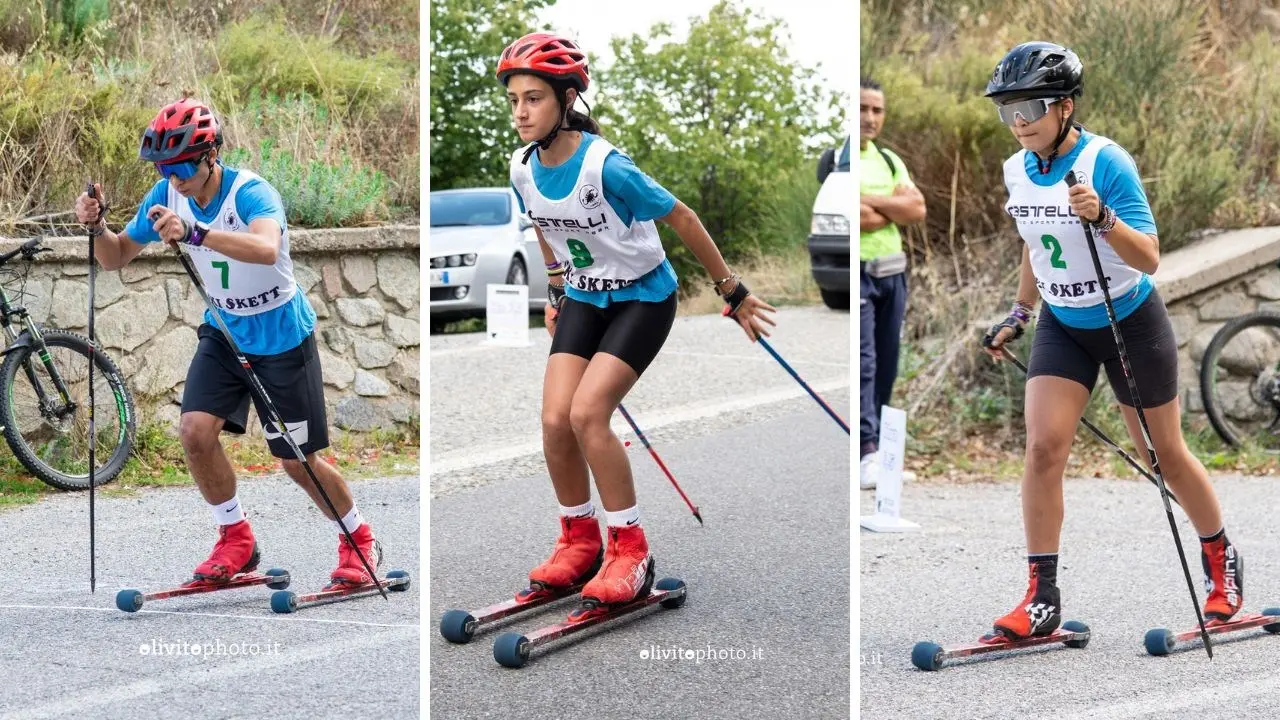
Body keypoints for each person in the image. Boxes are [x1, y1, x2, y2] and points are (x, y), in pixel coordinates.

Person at [495, 32, 777, 617]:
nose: (521, 111)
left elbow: (682, 216)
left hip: (643, 299)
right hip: (584, 298)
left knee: (587, 414)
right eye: (515, 99)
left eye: (534, 98)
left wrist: (732, 290)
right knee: (553, 421)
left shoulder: (607, 166)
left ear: (566, 100)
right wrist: (554, 286)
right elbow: (545, 228)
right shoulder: (522, 168)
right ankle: (579, 543)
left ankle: (632, 553)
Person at [981, 42, 1242, 640]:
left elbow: (1148, 258)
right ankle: (1041, 596)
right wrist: (1021, 313)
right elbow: (1033, 243)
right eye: (1008, 111)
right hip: (1064, 324)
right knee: (1043, 449)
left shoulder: (1107, 162)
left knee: (1162, 456)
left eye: (1030, 108)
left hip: (1128, 318)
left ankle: (1222, 566)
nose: (1019, 122)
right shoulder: (1015, 168)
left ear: (1065, 106)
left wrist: (1102, 217)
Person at [73, 98, 383, 590]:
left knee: (296, 461)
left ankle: (358, 539)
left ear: (210, 154)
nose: (173, 178)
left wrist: (197, 232)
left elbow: (265, 248)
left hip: (281, 334)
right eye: (163, 168)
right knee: (195, 432)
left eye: (180, 166)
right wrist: (97, 227)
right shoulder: (167, 194)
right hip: (223, 329)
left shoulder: (251, 192)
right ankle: (236, 537)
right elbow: (114, 258)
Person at [859, 77, 926, 490]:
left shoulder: (888, 161)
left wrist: (873, 201)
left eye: (876, 110)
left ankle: (879, 453)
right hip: (861, 273)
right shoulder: (843, 159)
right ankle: (866, 450)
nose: (869, 118)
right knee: (864, 363)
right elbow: (860, 219)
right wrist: (892, 206)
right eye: (862, 108)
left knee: (887, 364)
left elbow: (916, 208)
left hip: (893, 273)